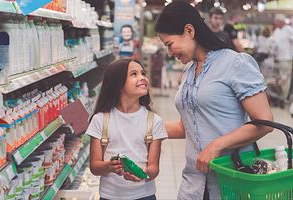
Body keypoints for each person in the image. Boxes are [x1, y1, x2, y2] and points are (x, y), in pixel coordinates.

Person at [154, 2, 273, 199]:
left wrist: (216, 145)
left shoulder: (234, 63)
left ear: (189, 31)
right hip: (193, 184)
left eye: (170, 44)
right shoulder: (188, 72)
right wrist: (142, 126)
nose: (170, 53)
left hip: (229, 180)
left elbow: (265, 123)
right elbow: (188, 127)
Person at [86, 58, 167, 200]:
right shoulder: (100, 120)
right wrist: (109, 166)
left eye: (142, 73)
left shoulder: (153, 121)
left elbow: (154, 169)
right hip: (109, 196)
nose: (142, 78)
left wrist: (142, 174)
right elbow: (94, 166)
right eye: (134, 74)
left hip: (144, 195)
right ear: (118, 84)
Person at [272, 14, 293, 101]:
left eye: (276, 21)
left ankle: (285, 97)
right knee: (278, 78)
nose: (275, 23)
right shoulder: (276, 31)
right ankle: (280, 96)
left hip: (287, 58)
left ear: (281, 21)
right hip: (277, 58)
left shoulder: (289, 30)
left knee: (285, 79)